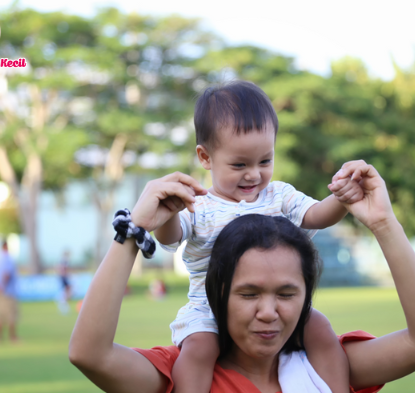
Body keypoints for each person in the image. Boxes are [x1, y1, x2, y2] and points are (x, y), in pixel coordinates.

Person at [69, 163, 415, 392]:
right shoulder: (187, 372)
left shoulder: (324, 365)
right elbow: (89, 354)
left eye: (287, 294)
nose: (269, 312)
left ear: (307, 293)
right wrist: (133, 232)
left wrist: (384, 223)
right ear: (219, 292)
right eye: (249, 294)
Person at [154, 80, 363, 393]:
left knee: (318, 326)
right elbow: (170, 237)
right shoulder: (198, 204)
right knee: (198, 348)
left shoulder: (278, 195)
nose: (254, 174)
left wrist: (343, 198)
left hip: (269, 302)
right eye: (239, 164)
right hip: (208, 308)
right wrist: (168, 212)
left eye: (265, 161)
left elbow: (317, 215)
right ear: (206, 157)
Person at [58, 250, 72, 314]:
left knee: (67, 290)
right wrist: (65, 275)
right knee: (68, 290)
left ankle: (63, 302)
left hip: (63, 277)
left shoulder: (63, 260)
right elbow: (64, 268)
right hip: (64, 277)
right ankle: (62, 302)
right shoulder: (65, 260)